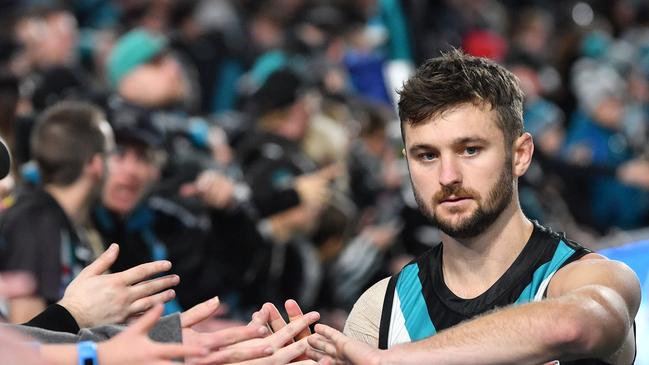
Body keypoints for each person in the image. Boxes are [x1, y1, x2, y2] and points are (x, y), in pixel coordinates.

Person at [306, 50, 640, 365]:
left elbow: (574, 326)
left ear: (520, 154)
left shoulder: (589, 277)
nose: (447, 177)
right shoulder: (381, 309)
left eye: (470, 150)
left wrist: (394, 359)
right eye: (427, 156)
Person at [0, 101, 115, 322]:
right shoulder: (34, 221)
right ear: (97, 163)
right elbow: (27, 332)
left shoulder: (71, 223)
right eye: (112, 154)